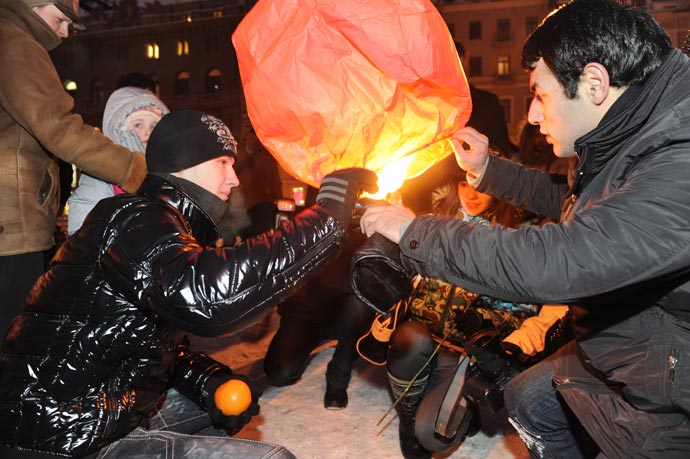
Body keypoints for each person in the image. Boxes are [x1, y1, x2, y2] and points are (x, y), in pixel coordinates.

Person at [359, 0, 690, 457]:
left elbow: (565, 259)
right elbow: (577, 204)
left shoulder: (680, 156)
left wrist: (416, 230)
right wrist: (488, 170)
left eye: (540, 94)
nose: (533, 115)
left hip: (671, 395)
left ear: (595, 83)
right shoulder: (632, 130)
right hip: (630, 349)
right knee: (528, 398)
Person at [0, 109, 377, 458]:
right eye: (222, 163)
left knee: (226, 404)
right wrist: (325, 216)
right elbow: (202, 298)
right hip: (57, 437)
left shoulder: (160, 226)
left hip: (96, 411)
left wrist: (207, 381)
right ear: (186, 164)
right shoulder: (133, 219)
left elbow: (143, 341)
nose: (234, 177)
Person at [0, 0, 147, 336]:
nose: (65, 33)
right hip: (11, 221)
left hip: (9, 218)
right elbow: (59, 129)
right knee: (12, 337)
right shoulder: (17, 43)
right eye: (60, 20)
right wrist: (137, 169)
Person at [399, 40, 516, 214]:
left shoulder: (486, 103)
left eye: (453, 60)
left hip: (473, 201)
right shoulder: (418, 103)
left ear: (463, 61)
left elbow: (500, 152)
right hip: (422, 202)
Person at [67, 86, 169, 234]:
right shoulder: (100, 175)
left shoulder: (168, 169)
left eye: (153, 125)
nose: (147, 131)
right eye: (138, 125)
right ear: (118, 130)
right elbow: (83, 228)